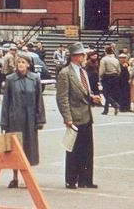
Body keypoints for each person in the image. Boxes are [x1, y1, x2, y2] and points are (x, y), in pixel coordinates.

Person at [56, 42, 100, 190]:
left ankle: (86, 179)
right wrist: (67, 117)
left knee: (87, 150)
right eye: (83, 54)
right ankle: (71, 179)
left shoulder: (83, 72)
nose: (85, 56)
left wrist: (92, 98)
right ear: (75, 56)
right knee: (73, 150)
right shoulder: (65, 73)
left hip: (86, 115)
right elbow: (62, 98)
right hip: (74, 116)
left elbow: (84, 92)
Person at [1, 53, 45, 188]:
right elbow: (6, 102)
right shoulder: (10, 79)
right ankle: (14, 177)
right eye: (19, 62)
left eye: (23, 62)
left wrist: (40, 119)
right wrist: (4, 122)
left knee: (29, 148)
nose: (20, 64)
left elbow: (39, 100)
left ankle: (27, 177)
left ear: (28, 65)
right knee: (16, 149)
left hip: (30, 120)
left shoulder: (35, 79)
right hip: (15, 119)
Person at [99, 46, 121, 115]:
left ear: (105, 51)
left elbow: (102, 70)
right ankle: (106, 109)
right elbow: (119, 70)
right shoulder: (116, 60)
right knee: (110, 93)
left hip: (107, 77)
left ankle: (115, 105)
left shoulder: (104, 59)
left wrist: (100, 77)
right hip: (115, 77)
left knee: (106, 93)